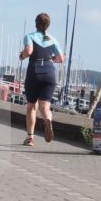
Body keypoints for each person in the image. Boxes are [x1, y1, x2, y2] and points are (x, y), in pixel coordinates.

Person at [19, 13, 64, 146]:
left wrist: (22, 56)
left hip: (35, 71)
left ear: (36, 23)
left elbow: (29, 51)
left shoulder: (30, 36)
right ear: (48, 25)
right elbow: (61, 58)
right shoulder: (53, 39)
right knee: (45, 107)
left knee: (32, 106)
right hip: (49, 72)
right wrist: (50, 59)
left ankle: (30, 138)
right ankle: (48, 121)